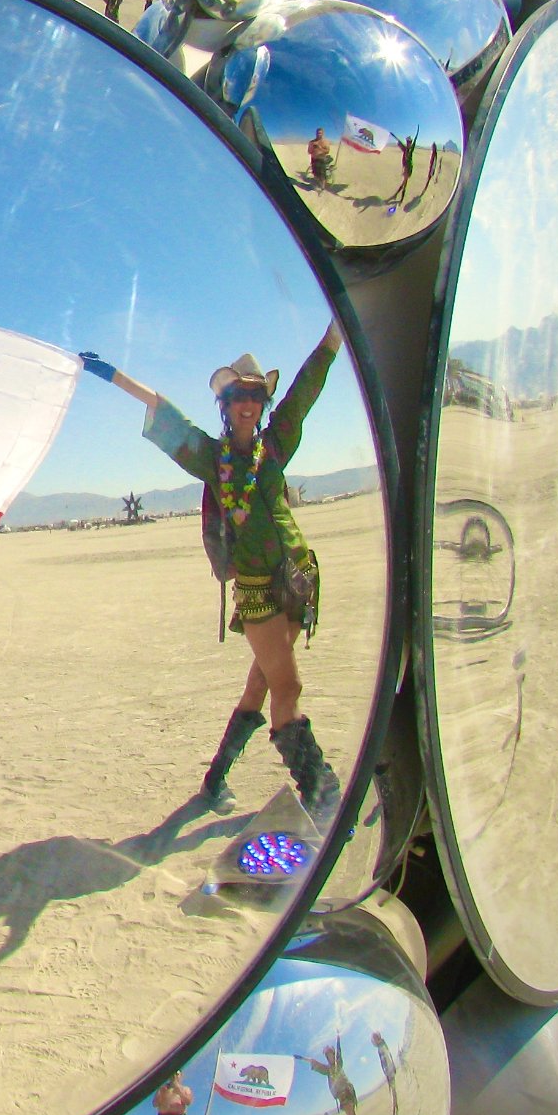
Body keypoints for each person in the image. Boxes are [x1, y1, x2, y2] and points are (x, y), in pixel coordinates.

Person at [78, 321, 344, 816]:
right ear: (225, 404)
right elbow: (166, 414)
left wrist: (337, 331)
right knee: (288, 687)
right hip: (258, 591)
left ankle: (214, 781)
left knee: (262, 684)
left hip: (297, 579)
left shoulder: (276, 445)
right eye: (239, 395)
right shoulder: (211, 458)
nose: (248, 404)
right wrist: (112, 374)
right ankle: (320, 790)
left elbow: (310, 383)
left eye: (256, 395)